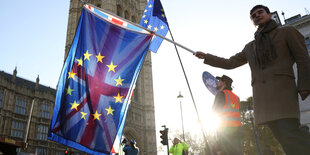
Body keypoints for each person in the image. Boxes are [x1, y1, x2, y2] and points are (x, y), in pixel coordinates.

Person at [194, 4, 310, 155]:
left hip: (283, 93)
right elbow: (230, 62)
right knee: (283, 139)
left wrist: (304, 86)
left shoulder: (287, 32)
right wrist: (207, 57)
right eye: (253, 15)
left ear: (269, 15)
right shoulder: (250, 47)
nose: (257, 16)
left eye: (260, 12)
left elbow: (303, 59)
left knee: (290, 134)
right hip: (263, 100)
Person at [212, 75, 243, 155]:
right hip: (238, 132)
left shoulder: (221, 94)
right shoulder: (236, 97)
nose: (217, 82)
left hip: (225, 133)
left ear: (224, 82)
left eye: (219, 81)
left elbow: (214, 111)